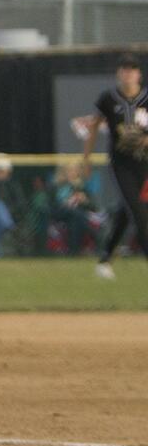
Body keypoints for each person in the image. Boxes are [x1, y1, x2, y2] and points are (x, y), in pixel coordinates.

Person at [75, 54, 148, 280]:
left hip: (144, 164)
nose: (128, 73)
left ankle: (105, 259)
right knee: (139, 212)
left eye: (132, 69)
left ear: (139, 74)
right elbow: (94, 128)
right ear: (118, 73)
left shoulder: (146, 98)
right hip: (121, 164)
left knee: (126, 212)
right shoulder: (109, 98)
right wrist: (85, 160)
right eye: (124, 69)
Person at [50, 159, 104, 257]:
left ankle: (74, 251)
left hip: (76, 216)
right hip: (60, 213)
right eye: (70, 170)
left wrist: (84, 201)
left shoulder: (82, 186)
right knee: (76, 213)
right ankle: (95, 236)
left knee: (75, 218)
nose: (72, 173)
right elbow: (52, 205)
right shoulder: (58, 186)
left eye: (75, 170)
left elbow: (93, 207)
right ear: (65, 172)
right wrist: (66, 202)